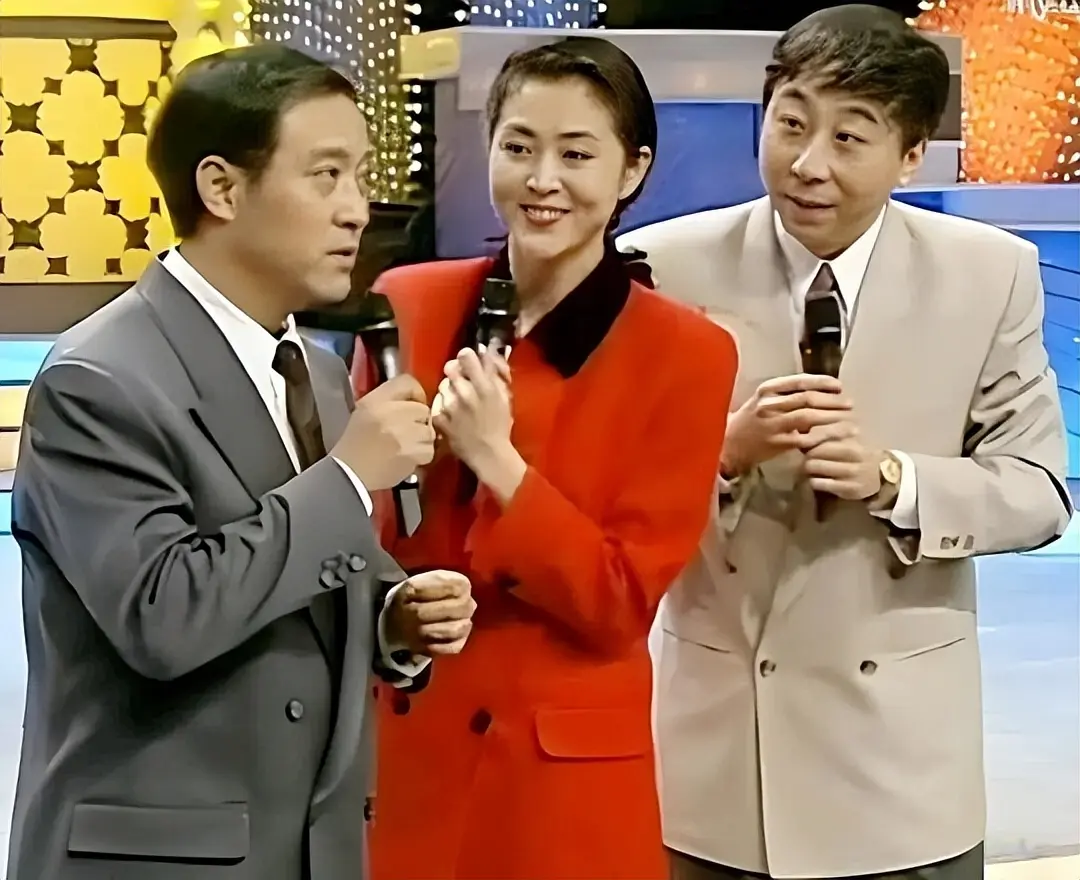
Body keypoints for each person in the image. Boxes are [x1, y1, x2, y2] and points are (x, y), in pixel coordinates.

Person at [618, 7, 1073, 880]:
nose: (808, 164)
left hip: (902, 776)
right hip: (716, 770)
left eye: (850, 138)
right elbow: (606, 489)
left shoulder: (990, 273)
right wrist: (722, 451)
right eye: (791, 124)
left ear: (911, 155)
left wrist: (896, 480)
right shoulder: (659, 267)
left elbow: (1036, 491)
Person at [7, 44, 476, 880]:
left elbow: (300, 589)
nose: (356, 210)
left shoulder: (318, 374)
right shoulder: (100, 380)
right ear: (222, 188)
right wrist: (347, 478)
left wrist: (392, 621)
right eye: (325, 176)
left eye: (360, 176)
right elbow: (162, 616)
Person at [352, 37, 738, 880]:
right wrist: (395, 617)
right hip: (409, 759)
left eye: (576, 154)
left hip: (564, 790)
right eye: (519, 146)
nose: (542, 179)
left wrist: (499, 462)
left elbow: (619, 602)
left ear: (633, 170)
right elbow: (360, 538)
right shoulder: (409, 304)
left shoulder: (687, 354)